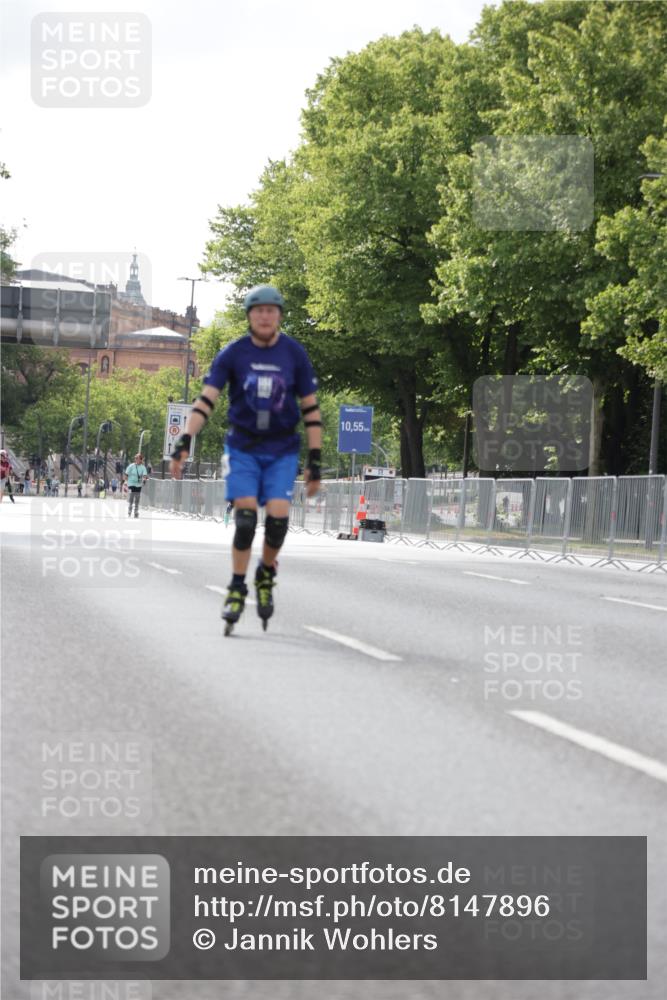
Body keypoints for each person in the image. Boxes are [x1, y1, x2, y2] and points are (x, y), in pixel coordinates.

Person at [169, 284, 321, 632]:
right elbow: (206, 400)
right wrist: (184, 441)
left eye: (271, 311)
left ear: (280, 316)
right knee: (246, 521)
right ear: (250, 316)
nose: (265, 316)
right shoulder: (233, 353)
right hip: (243, 448)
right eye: (258, 311)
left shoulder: (294, 354)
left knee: (279, 521)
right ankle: (237, 585)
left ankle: (265, 572)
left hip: (282, 449)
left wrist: (316, 458)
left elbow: (311, 409)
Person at [125, 453, 148, 518]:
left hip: (138, 484)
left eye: (137, 458)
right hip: (131, 484)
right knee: (131, 497)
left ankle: (136, 512)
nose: (136, 459)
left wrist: (144, 480)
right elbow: (126, 474)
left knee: (137, 498)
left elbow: (144, 475)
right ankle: (129, 510)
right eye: (135, 458)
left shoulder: (143, 467)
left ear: (141, 460)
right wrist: (125, 482)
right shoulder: (131, 466)